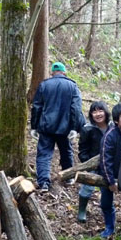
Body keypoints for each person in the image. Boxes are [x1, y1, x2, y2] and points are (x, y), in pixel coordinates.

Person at [31, 62, 85, 191]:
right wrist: (74, 127)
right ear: (64, 72)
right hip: (65, 128)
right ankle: (69, 177)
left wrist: (34, 126)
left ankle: (43, 182)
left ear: (52, 72)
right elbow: (76, 109)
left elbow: (37, 107)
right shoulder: (72, 86)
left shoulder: (44, 85)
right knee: (66, 152)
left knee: (44, 154)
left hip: (46, 126)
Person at [98, 103, 121, 238]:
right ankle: (109, 227)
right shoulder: (110, 136)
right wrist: (111, 181)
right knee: (106, 203)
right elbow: (105, 160)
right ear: (117, 120)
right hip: (110, 175)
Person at [77, 101, 112, 223]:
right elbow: (82, 150)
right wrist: (88, 163)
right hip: (92, 162)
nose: (98, 114)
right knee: (87, 188)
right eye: (94, 111)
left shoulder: (113, 127)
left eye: (100, 110)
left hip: (109, 163)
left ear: (106, 112)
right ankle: (82, 210)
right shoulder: (87, 129)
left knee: (108, 188)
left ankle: (107, 211)